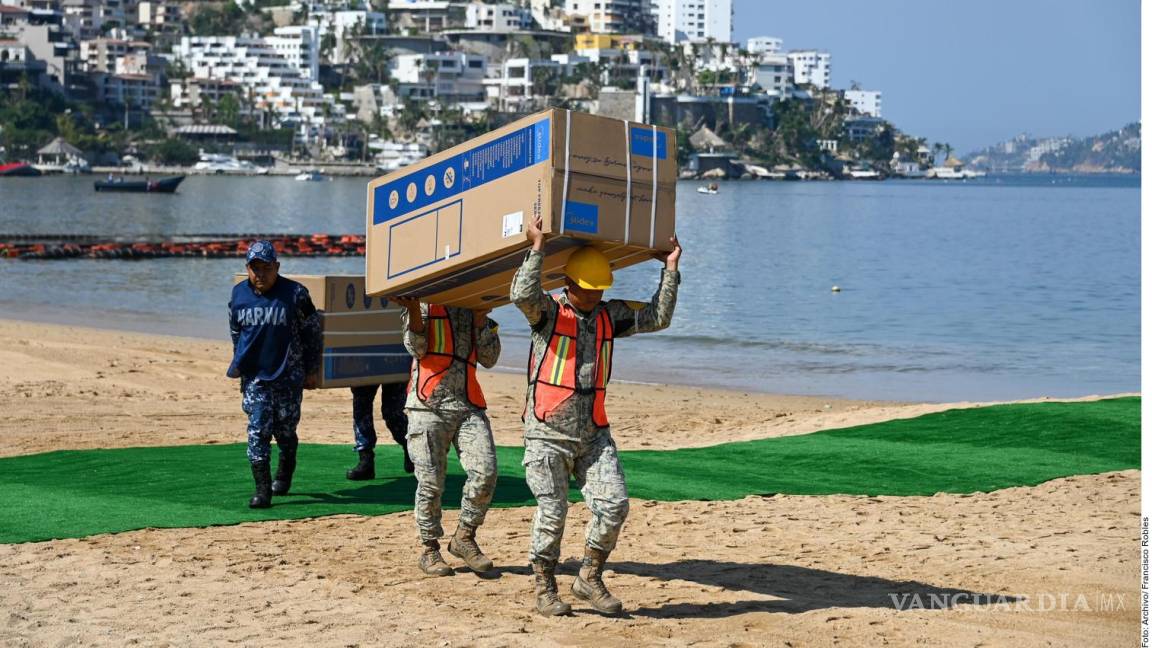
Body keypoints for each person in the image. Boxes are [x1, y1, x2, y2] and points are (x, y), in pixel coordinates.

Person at [511, 216, 681, 616]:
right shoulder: (548, 314)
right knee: (553, 512)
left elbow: (658, 316)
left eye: (598, 291)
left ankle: (589, 576)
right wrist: (536, 248)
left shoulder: (610, 315)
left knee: (615, 505)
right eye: (587, 290)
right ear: (569, 284)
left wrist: (670, 267)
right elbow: (521, 294)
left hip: (594, 433)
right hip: (547, 431)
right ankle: (544, 587)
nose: (592, 296)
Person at [389, 296, 501, 576]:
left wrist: (480, 321)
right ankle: (429, 549)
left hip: (468, 405)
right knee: (430, 483)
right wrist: (414, 309)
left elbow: (490, 358)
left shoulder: (476, 304)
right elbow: (415, 348)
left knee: (486, 471)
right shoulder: (423, 305)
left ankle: (464, 536)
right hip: (427, 406)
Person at [227, 240, 321, 508]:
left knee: (285, 430)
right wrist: (240, 366)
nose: (260, 274)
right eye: (255, 268)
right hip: (256, 377)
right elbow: (236, 334)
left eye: (266, 268)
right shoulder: (238, 295)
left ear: (276, 267)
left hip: (289, 376)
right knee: (258, 431)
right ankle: (263, 490)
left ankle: (284, 473)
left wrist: (312, 370)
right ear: (247, 268)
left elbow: (312, 333)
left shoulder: (295, 294)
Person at [346, 382, 414, 479]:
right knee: (361, 409)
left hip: (393, 370)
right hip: (366, 370)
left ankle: (410, 449)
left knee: (394, 412)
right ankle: (366, 459)